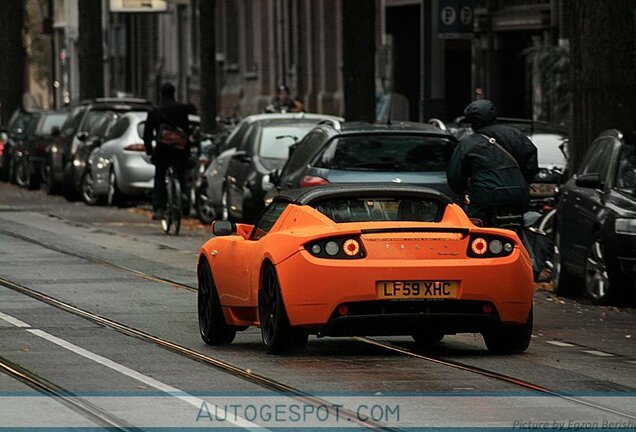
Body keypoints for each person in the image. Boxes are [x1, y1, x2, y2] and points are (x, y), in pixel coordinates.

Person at [447, 99, 539, 226]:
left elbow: (455, 177)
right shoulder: (515, 135)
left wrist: (463, 189)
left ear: (471, 121)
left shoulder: (467, 144)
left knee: (479, 231)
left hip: (485, 198)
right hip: (518, 193)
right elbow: (531, 158)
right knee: (523, 227)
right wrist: (523, 180)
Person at [143, 82, 191, 220]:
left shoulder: (155, 111)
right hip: (179, 149)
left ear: (160, 94)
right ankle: (183, 193)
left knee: (159, 176)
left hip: (163, 149)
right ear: (173, 93)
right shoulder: (182, 109)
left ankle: (159, 207)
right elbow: (186, 130)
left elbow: (147, 133)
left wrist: (149, 150)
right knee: (181, 172)